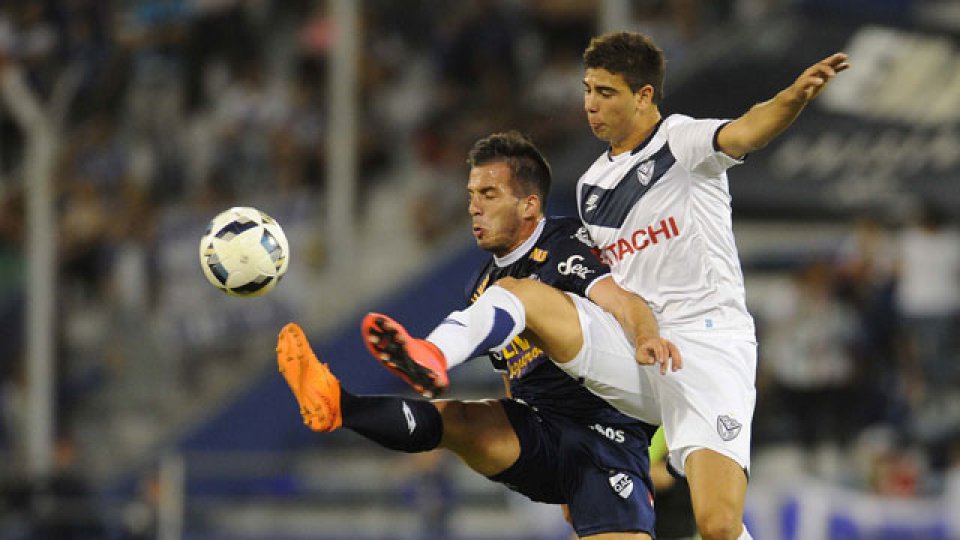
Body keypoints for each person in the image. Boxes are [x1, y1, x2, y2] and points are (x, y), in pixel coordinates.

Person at [364, 32, 850, 540]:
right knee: (523, 294)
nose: (590, 105)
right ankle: (433, 352)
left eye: (606, 92)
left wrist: (794, 96)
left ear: (644, 96)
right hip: (636, 344)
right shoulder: (591, 186)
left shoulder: (679, 142)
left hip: (707, 344)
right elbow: (602, 288)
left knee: (718, 526)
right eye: (588, 90)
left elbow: (747, 131)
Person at [278, 131, 680, 539]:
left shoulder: (565, 242)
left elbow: (622, 299)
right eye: (471, 194)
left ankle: (431, 352)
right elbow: (514, 375)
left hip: (604, 433)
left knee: (515, 298)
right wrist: (561, 481)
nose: (473, 207)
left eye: (488, 194)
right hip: (541, 432)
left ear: (529, 205)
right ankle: (338, 404)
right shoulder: (482, 284)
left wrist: (647, 334)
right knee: (459, 419)